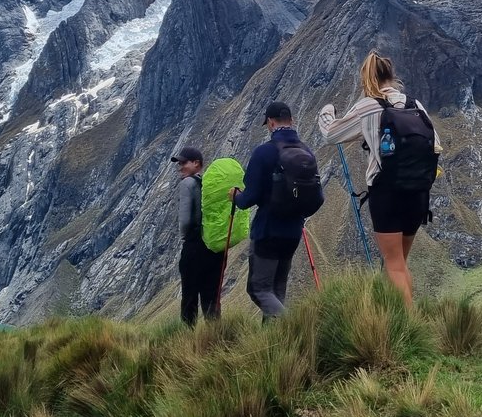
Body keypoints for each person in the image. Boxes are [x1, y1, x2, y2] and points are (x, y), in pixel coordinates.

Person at [318, 52, 441, 305]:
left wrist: (327, 111)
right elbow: (435, 146)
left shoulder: (368, 106)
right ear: (391, 76)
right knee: (400, 263)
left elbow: (332, 134)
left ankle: (408, 328)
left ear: (367, 78)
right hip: (419, 193)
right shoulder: (414, 105)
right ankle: (397, 318)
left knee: (393, 265)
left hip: (387, 194)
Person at [231, 101, 316, 320]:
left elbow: (248, 199)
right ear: (292, 120)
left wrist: (235, 196)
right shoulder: (306, 151)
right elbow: (317, 196)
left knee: (259, 290)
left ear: (270, 123)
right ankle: (276, 344)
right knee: (277, 291)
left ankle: (294, 326)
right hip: (293, 231)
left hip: (268, 231)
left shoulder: (264, 153)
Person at [173, 146, 222, 325]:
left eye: (184, 162)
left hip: (194, 246)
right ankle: (215, 339)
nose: (180, 166)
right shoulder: (208, 184)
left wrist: (185, 238)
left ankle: (187, 342)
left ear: (197, 163)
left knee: (189, 297)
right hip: (213, 246)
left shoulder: (187, 184)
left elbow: (185, 220)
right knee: (211, 297)